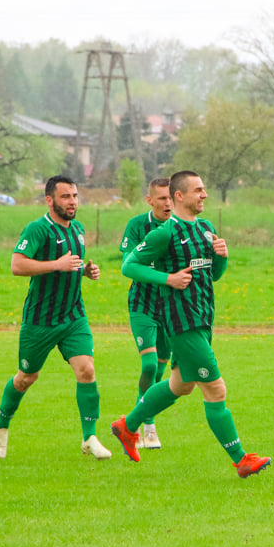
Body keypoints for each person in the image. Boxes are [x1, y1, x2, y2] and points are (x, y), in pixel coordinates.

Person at [111, 170, 271, 478]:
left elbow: (213, 275)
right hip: (182, 324)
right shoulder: (164, 233)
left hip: (202, 320)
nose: (205, 195)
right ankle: (241, 460)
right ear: (179, 196)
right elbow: (129, 265)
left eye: (204, 189)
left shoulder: (206, 229)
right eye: (198, 190)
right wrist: (167, 279)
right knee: (215, 388)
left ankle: (127, 426)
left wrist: (222, 257)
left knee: (180, 385)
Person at [0, 175, 111, 460]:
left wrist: (85, 271)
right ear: (50, 200)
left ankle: (89, 437)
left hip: (73, 316)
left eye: (75, 196)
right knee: (26, 378)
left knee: (87, 370)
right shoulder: (37, 229)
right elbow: (17, 265)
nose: (72, 202)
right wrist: (56, 265)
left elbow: (71, 265)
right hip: (40, 320)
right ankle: (2, 423)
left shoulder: (78, 229)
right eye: (65, 197)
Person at [119, 178, 173, 449]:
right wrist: (166, 277)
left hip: (172, 307)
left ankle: (142, 421)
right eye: (162, 198)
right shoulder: (137, 226)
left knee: (161, 370)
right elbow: (128, 263)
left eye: (170, 198)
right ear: (150, 200)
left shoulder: (182, 227)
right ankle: (148, 427)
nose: (168, 203)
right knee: (149, 365)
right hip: (142, 303)